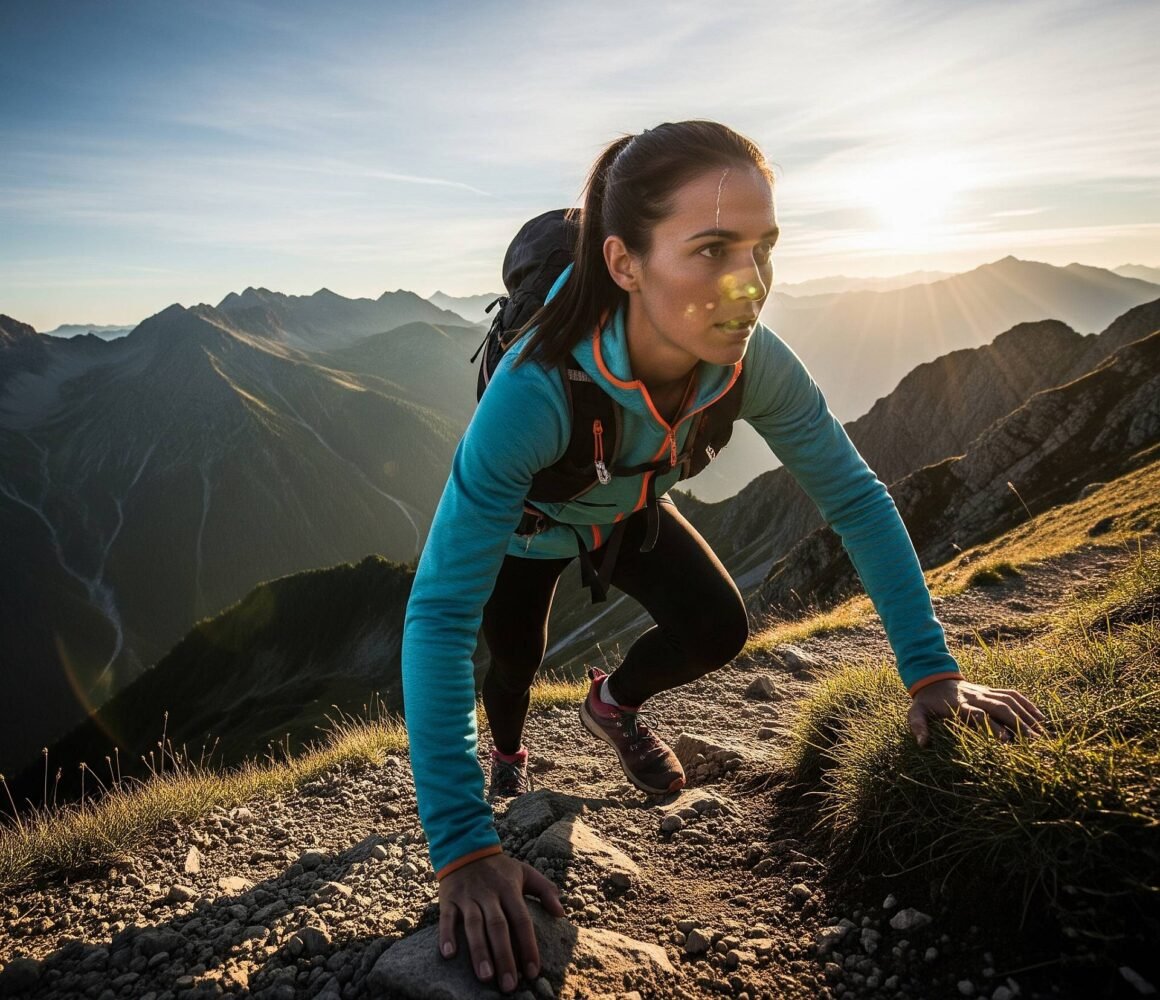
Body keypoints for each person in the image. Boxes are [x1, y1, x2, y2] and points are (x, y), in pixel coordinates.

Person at [400, 120, 1045, 993]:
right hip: (531, 527)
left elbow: (855, 497)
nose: (749, 286)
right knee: (509, 659)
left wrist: (932, 676)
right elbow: (438, 614)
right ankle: (507, 765)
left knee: (717, 628)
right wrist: (463, 847)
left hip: (625, 507)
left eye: (762, 248)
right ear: (625, 263)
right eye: (711, 249)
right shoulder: (536, 387)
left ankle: (611, 706)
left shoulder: (751, 362)